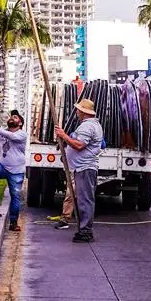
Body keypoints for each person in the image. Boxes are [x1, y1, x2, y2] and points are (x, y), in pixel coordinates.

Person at [54, 98, 103, 243]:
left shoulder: (88, 126)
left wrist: (64, 136)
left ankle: (86, 231)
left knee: (85, 200)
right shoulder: (89, 125)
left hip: (85, 168)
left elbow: (79, 145)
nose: (76, 112)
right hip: (82, 167)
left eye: (78, 110)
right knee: (83, 200)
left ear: (82, 112)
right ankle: (84, 229)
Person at [0, 109, 27, 231]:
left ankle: (13, 222)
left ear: (20, 123)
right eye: (11, 117)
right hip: (2, 166)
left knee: (15, 196)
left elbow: (11, 136)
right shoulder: (3, 132)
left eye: (16, 117)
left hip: (16, 171)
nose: (12, 118)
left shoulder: (22, 134)